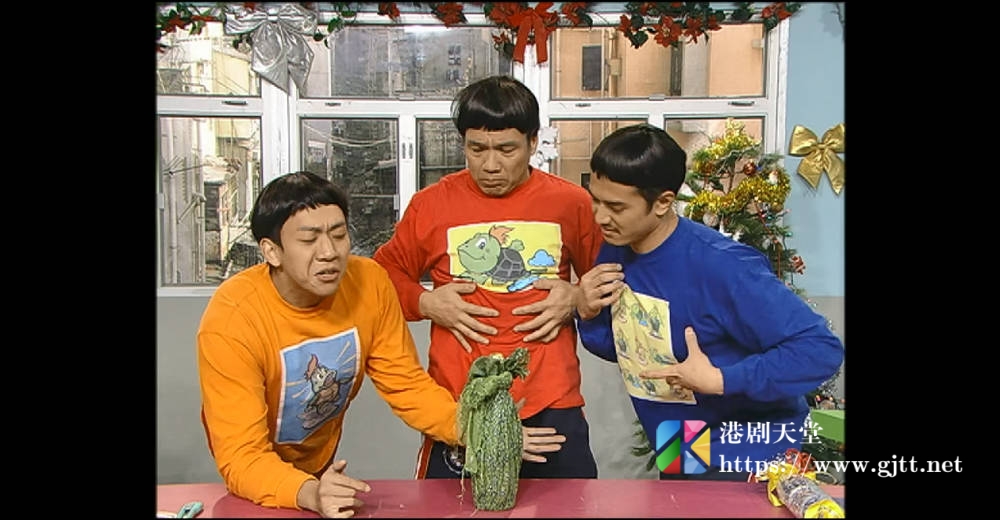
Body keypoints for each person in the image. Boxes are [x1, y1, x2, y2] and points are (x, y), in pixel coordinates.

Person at [575, 123, 844, 480]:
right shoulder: (616, 247)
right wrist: (587, 312)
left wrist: (720, 379)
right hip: (678, 443)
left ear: (663, 202)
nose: (599, 217)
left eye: (615, 206)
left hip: (751, 453)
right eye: (595, 200)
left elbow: (820, 350)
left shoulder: (724, 266)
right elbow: (630, 352)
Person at [372, 75, 603, 479]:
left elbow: (610, 278)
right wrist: (425, 302)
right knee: (451, 508)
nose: (490, 165)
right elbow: (380, 276)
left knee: (570, 505)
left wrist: (577, 296)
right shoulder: (430, 205)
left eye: (506, 149)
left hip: (551, 399)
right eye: (476, 149)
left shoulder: (571, 203)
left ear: (533, 143)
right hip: (460, 403)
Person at [197, 171, 465, 517]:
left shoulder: (369, 283)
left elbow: (407, 386)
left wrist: (475, 428)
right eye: (309, 240)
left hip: (318, 470)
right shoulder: (232, 320)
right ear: (272, 251)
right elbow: (242, 455)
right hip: (256, 479)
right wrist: (309, 492)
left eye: (339, 235)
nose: (329, 253)